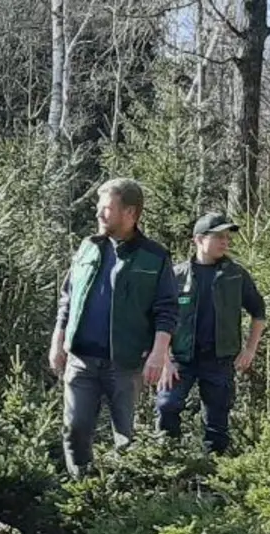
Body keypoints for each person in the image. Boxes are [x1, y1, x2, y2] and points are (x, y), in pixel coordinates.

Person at [48, 178, 179, 476]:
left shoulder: (154, 257)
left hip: (126, 363)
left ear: (130, 213)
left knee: (126, 436)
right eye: (99, 207)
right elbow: (67, 297)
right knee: (75, 428)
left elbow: (167, 309)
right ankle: (82, 488)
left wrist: (159, 353)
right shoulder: (88, 247)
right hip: (81, 359)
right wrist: (58, 339)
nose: (98, 214)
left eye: (106, 208)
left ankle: (122, 496)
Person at [154, 212, 268, 453]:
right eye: (218, 237)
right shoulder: (176, 276)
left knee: (217, 422)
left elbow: (259, 313)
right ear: (198, 239)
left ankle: (211, 476)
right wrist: (164, 361)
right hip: (180, 359)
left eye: (227, 237)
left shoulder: (236, 275)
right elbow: (158, 320)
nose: (225, 242)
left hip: (219, 359)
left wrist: (249, 349)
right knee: (167, 406)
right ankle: (167, 461)